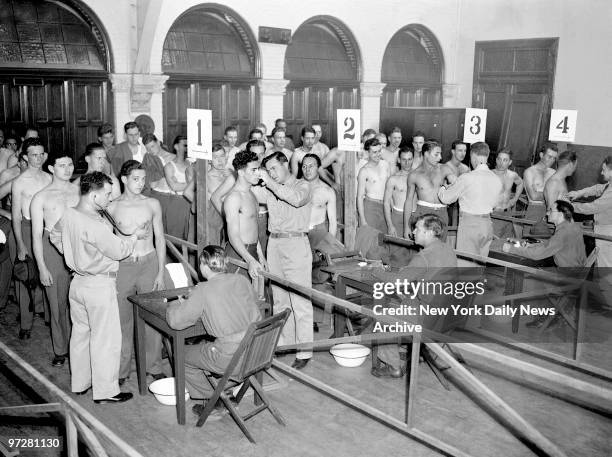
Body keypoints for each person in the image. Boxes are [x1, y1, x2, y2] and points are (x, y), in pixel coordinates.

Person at [51, 171, 148, 403]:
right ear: (93, 195)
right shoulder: (95, 224)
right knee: (106, 339)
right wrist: (134, 237)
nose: (109, 199)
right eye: (106, 194)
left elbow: (54, 235)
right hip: (98, 284)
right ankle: (107, 391)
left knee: (81, 335)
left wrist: (74, 254)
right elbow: (120, 251)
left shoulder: (69, 214)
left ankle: (80, 384)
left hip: (77, 283)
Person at [166, 246, 261, 417]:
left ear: (203, 265)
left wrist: (174, 303)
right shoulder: (241, 280)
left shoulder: (202, 289)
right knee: (204, 347)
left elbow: (176, 322)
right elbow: (251, 304)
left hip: (230, 357)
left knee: (180, 354)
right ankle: (225, 391)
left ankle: (215, 399)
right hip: (255, 352)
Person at [370, 214, 457, 377]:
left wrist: (375, 270)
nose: (413, 232)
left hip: (428, 320)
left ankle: (393, 366)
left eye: (418, 228)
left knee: (383, 316)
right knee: (406, 299)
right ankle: (411, 349)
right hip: (447, 315)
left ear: (430, 232)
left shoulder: (423, 256)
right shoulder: (448, 249)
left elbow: (397, 281)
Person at [108, 161, 166, 384]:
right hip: (123, 266)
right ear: (123, 180)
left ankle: (153, 366)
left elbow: (160, 238)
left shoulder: (152, 204)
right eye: (135, 179)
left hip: (148, 263)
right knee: (122, 321)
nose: (141, 184)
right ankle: (122, 370)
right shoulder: (112, 207)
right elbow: (107, 242)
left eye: (143, 179)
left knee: (152, 317)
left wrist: (160, 271)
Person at [256, 151, 312, 369]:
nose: (271, 173)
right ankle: (284, 343)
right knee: (279, 299)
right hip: (275, 243)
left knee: (300, 300)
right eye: (268, 170)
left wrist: (269, 182)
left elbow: (296, 200)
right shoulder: (270, 187)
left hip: (296, 243)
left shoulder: (302, 185)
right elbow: (250, 193)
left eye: (274, 168)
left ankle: (305, 351)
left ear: (285, 164)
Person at [30, 152, 79, 366]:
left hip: (77, 248)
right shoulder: (41, 196)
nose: (67, 169)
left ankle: (78, 346)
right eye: (61, 165)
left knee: (77, 301)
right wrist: (42, 267)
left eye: (70, 165)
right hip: (52, 250)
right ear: (51, 168)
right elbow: (36, 237)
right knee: (57, 303)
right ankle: (60, 349)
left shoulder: (79, 191)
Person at [11, 137, 51, 339]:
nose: (38, 158)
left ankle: (48, 315)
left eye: (41, 154)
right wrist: (19, 244)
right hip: (27, 229)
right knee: (26, 277)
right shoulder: (19, 182)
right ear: (25, 157)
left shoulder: (49, 178)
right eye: (33, 155)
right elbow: (16, 217)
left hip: (47, 230)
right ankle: (26, 323)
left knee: (48, 273)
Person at [439, 142, 502, 259]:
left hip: (470, 225)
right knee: (481, 263)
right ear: (487, 156)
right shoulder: (496, 179)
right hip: (487, 224)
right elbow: (494, 204)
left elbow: (446, 199)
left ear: (473, 156)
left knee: (465, 265)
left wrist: (443, 187)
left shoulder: (467, 177)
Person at [567, 156, 612, 289]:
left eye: (604, 170)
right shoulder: (609, 185)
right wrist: (579, 193)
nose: (601, 173)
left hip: (607, 229)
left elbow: (595, 207)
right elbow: (599, 188)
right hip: (605, 227)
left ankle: (608, 302)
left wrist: (570, 206)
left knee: (606, 267)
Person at [223, 150, 267, 279]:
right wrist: (250, 260)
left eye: (258, 168)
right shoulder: (234, 197)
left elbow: (254, 230)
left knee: (254, 296)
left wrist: (260, 256)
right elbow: (233, 236)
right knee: (237, 297)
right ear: (241, 172)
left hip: (252, 251)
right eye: (253, 170)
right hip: (238, 253)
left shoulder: (251, 194)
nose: (258, 173)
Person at [503, 200, 586, 267]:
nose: (547, 213)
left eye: (551, 210)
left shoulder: (563, 232)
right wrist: (534, 244)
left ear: (560, 214)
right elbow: (553, 244)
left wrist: (511, 249)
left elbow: (536, 255)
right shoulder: (573, 226)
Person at [404, 141, 453, 237]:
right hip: (423, 213)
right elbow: (409, 201)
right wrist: (406, 227)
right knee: (423, 248)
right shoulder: (414, 175)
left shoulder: (444, 169)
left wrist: (448, 186)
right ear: (426, 154)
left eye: (440, 154)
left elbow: (455, 182)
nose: (440, 157)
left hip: (442, 213)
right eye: (436, 154)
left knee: (440, 248)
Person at [523, 143, 558, 235]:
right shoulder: (530, 172)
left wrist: (541, 192)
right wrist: (550, 193)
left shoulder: (554, 173)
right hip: (534, 210)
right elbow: (534, 196)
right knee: (530, 242)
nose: (552, 160)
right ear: (541, 155)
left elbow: (559, 195)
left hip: (551, 211)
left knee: (548, 245)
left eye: (554, 158)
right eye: (549, 156)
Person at [357, 138, 391, 233]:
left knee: (382, 239)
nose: (378, 154)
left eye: (379, 151)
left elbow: (389, 189)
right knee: (369, 237)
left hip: (385, 206)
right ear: (368, 153)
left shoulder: (385, 165)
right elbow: (359, 197)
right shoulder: (364, 171)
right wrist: (362, 219)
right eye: (374, 152)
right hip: (370, 207)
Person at [302, 154, 337, 241]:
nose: (307, 170)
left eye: (311, 166)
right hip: (298, 233)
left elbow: (332, 222)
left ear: (318, 168)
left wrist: (329, 243)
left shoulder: (328, 191)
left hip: (318, 233)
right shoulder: (295, 187)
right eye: (304, 167)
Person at [492, 148, 524, 239]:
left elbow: (520, 183)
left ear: (510, 162)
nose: (501, 163)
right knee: (493, 243)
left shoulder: (512, 175)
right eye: (499, 159)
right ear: (496, 160)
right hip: (494, 214)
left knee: (507, 241)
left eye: (505, 160)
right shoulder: (490, 174)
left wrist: (515, 199)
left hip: (508, 213)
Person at [384, 147, 414, 237]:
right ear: (399, 160)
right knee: (397, 249)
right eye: (404, 159)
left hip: (415, 216)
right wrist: (390, 225)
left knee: (416, 250)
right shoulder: (393, 179)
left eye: (409, 159)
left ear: (413, 159)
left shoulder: (418, 177)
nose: (407, 163)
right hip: (398, 217)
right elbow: (386, 203)